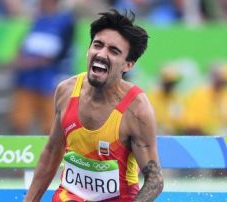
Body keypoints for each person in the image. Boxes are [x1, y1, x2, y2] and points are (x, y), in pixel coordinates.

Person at [24, 9, 164, 202]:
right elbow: (51, 152)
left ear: (128, 65)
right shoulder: (66, 91)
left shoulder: (136, 109)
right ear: (88, 49)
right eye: (97, 45)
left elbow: (155, 180)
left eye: (114, 51)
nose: (101, 54)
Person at [10, 0, 75, 135]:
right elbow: (22, 46)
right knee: (20, 122)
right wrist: (20, 60)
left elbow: (60, 52)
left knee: (50, 126)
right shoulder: (34, 20)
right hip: (26, 81)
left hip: (49, 83)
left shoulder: (66, 22)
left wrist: (32, 62)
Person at [183, 62, 227, 136]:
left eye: (224, 82)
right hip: (202, 136)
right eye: (219, 81)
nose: (222, 85)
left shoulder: (224, 95)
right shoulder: (199, 94)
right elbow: (191, 123)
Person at [148, 65, 184, 135]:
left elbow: (182, 122)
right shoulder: (152, 97)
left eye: (173, 83)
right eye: (168, 83)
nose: (170, 87)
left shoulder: (177, 98)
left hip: (174, 136)